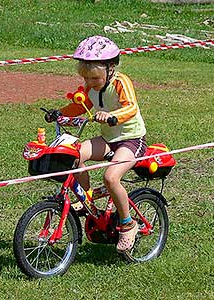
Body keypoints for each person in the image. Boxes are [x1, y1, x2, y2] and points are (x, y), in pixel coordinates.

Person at [45, 35, 147, 252]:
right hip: (109, 140)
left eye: (94, 79)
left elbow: (131, 108)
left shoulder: (121, 82)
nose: (89, 84)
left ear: (110, 69)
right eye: (86, 79)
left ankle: (128, 224)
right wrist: (60, 113)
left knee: (111, 177)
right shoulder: (91, 88)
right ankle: (87, 199)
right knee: (75, 155)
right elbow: (81, 107)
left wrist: (112, 116)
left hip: (131, 140)